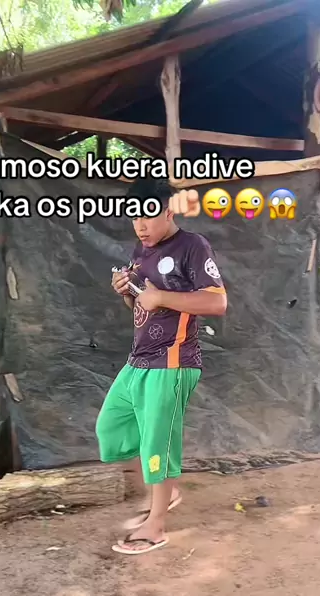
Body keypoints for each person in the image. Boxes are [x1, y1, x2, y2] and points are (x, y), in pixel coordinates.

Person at [96, 177, 227, 555]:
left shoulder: (192, 246)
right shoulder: (141, 249)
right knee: (111, 428)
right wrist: (127, 292)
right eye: (134, 217)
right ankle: (164, 494)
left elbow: (217, 303)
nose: (140, 225)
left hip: (172, 361)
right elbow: (143, 304)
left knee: (158, 443)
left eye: (148, 217)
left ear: (168, 212)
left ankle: (155, 527)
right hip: (140, 359)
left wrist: (161, 297)